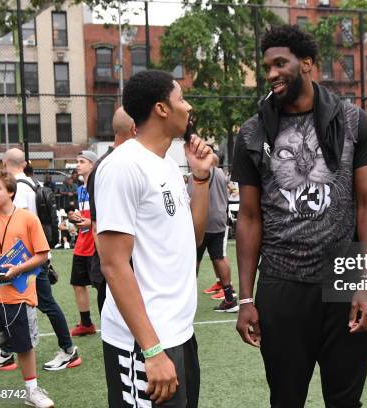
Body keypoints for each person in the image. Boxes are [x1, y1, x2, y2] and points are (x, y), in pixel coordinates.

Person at [233, 25, 367, 407]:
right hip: (282, 284)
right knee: (285, 400)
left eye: (280, 63)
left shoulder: (353, 121)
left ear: (307, 64)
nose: (271, 74)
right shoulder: (252, 133)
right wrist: (245, 298)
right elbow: (249, 218)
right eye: (266, 66)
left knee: (345, 401)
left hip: (343, 279)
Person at [95, 69, 212, 407]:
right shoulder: (123, 166)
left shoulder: (165, 165)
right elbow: (114, 264)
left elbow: (193, 237)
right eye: (181, 99)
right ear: (162, 109)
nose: (188, 107)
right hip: (145, 343)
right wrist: (152, 349)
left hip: (178, 333)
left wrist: (200, 180)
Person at [0, 171, 55, 408]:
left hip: (18, 295)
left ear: (10, 192)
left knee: (25, 346)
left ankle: (32, 391)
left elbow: (42, 254)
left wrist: (18, 269)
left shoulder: (28, 219)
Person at [1, 148, 81, 371]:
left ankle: (68, 350)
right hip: (36, 255)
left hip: (28, 259)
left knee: (43, 303)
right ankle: (7, 351)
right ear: (25, 162)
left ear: (5, 162)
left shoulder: (17, 188)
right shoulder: (32, 183)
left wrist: (18, 262)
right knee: (13, 302)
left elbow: (21, 225)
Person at [86, 106, 136, 313]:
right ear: (135, 129)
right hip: (117, 269)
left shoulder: (122, 162)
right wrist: (113, 272)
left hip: (123, 266)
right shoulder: (110, 167)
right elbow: (98, 226)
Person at [190, 154, 239, 312]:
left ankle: (187, 299)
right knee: (219, 257)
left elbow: (188, 196)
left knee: (194, 260)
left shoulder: (197, 174)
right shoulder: (221, 174)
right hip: (219, 220)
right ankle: (230, 298)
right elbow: (231, 190)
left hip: (201, 222)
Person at [69, 150, 98, 336]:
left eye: (82, 161)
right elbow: (83, 217)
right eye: (77, 161)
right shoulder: (80, 190)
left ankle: (119, 321)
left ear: (92, 165)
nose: (78, 165)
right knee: (78, 284)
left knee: (105, 287)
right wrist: (74, 218)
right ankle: (86, 323)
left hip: (96, 244)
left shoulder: (99, 187)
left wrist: (89, 223)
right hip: (82, 243)